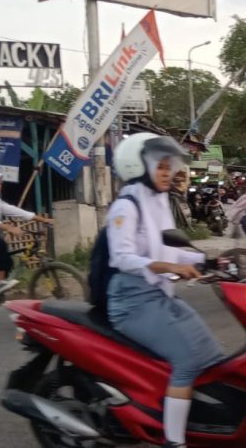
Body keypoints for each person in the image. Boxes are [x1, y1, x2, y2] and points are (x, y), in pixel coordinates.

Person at [103, 133, 223, 448]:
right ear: (140, 166)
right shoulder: (126, 206)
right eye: (162, 166)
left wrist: (212, 261)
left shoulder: (157, 202)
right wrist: (170, 268)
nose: (169, 173)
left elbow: (171, 250)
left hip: (158, 295)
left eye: (170, 166)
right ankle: (173, 441)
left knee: (210, 351)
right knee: (186, 360)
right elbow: (123, 257)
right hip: (131, 301)